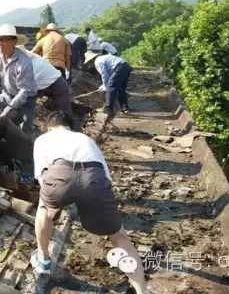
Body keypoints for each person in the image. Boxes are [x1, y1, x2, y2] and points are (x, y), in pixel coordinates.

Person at [31, 111, 151, 294]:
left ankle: (44, 259)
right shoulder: (85, 139)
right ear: (70, 127)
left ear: (49, 127)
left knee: (43, 207)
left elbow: (41, 175)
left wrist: (53, 205)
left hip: (58, 176)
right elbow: (105, 175)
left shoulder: (43, 139)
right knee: (119, 236)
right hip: (94, 179)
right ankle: (142, 291)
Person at [0, 24, 38, 136]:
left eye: (4, 40)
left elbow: (24, 91)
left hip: (26, 100)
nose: (0, 43)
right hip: (7, 95)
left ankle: (27, 149)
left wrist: (10, 107)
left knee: (24, 132)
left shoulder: (24, 62)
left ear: (14, 42)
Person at [15, 45, 81, 132]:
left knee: (65, 113)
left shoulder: (34, 64)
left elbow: (26, 87)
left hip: (57, 87)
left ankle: (78, 133)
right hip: (43, 85)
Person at [84, 52, 132, 121]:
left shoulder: (97, 61)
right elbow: (110, 75)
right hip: (126, 65)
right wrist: (104, 85)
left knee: (110, 88)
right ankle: (125, 108)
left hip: (119, 67)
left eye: (89, 63)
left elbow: (105, 75)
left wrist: (105, 85)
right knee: (121, 89)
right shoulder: (103, 58)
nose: (90, 65)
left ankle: (109, 110)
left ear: (91, 60)